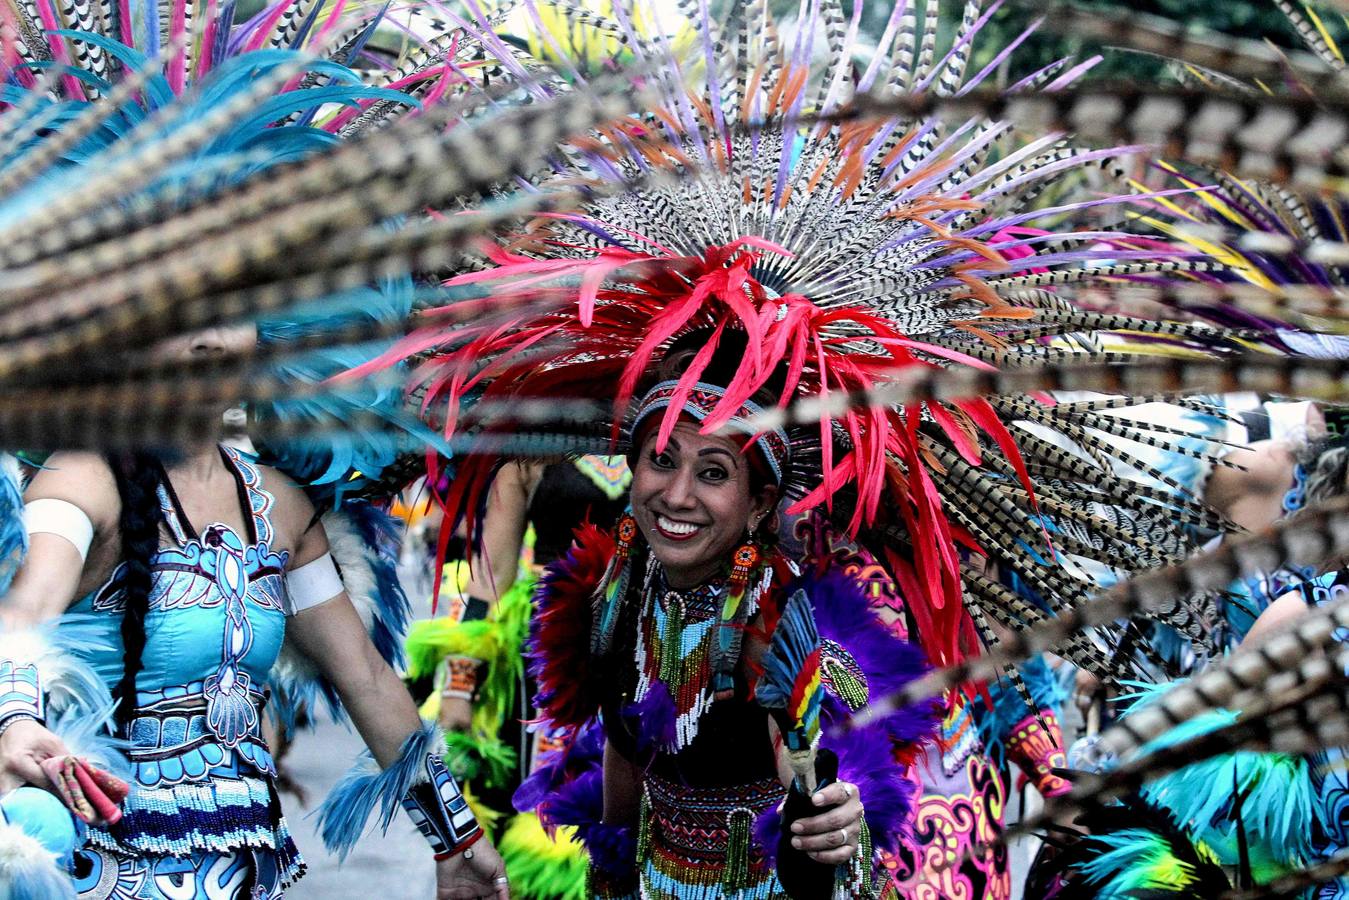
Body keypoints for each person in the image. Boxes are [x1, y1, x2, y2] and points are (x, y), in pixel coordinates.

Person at [0, 323, 511, 899]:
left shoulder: (278, 506)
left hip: (241, 865)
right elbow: (23, 613)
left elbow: (363, 676)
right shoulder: (80, 480)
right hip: (99, 867)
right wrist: (17, 720)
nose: (208, 339)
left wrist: (457, 839)